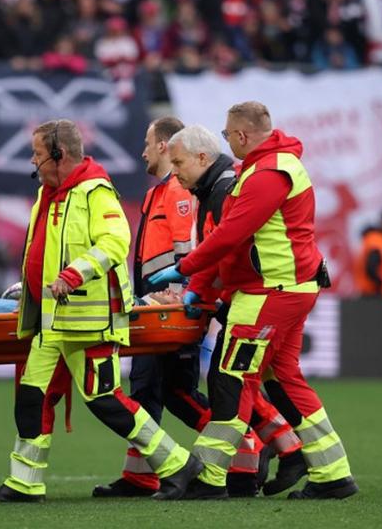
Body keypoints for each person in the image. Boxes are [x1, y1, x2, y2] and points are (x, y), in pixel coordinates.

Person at [0, 119, 201, 504]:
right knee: (32, 396)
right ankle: (24, 483)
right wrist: (30, 286)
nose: (33, 161)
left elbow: (115, 242)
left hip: (89, 323)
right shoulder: (52, 193)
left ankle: (179, 464)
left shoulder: (94, 191)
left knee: (106, 402)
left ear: (59, 155)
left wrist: (72, 275)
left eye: (37, 154)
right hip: (53, 322)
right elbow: (45, 252)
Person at [149, 102, 358, 500]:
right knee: (283, 379)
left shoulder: (266, 174)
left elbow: (231, 235)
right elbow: (233, 238)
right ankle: (333, 473)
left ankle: (209, 477)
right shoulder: (268, 168)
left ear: (242, 136)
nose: (226, 141)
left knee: (230, 378)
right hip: (285, 290)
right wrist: (202, 282)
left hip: (269, 293)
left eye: (228, 135)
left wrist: (186, 270)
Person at [167, 124, 308, 497]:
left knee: (230, 382)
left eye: (177, 161)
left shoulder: (226, 187)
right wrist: (198, 289)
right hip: (249, 294)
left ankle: (231, 470)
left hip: (253, 296)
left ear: (201, 158)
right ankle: (274, 459)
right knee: (247, 380)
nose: (173, 170)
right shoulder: (214, 187)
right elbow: (220, 246)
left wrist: (190, 278)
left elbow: (226, 244)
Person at [94, 116, 208, 498]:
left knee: (176, 391)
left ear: (163, 145)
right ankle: (140, 476)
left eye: (147, 143)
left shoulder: (176, 191)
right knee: (149, 389)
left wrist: (185, 295)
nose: (142, 151)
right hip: (154, 307)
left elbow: (189, 250)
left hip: (170, 309)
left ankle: (249, 451)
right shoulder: (160, 192)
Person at [354, 210, 382, 299]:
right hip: (374, 294)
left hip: (373, 293)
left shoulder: (377, 239)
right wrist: (380, 284)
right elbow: (371, 265)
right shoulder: (377, 239)